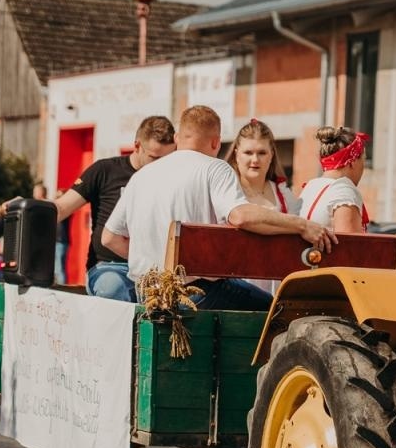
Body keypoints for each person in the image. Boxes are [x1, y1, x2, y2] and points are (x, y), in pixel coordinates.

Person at [100, 105, 334, 310]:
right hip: (197, 293)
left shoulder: (142, 175)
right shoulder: (214, 168)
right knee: (278, 313)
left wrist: (157, 261)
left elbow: (110, 237)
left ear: (178, 137)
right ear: (215, 142)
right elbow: (241, 216)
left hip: (147, 294)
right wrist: (302, 225)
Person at [54, 115, 175, 302]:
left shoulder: (172, 177)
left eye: (168, 158)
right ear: (137, 146)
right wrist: (26, 208)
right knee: (114, 289)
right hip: (111, 267)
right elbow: (61, 208)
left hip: (156, 271)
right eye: (154, 157)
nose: (161, 165)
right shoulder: (105, 170)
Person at [226, 118, 297, 295]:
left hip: (276, 283)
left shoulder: (283, 193)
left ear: (272, 154)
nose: (255, 159)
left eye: (262, 153)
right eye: (248, 152)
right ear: (236, 154)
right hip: (236, 285)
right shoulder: (227, 191)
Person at [297, 127, 370, 234]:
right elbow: (351, 247)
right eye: (363, 159)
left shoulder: (310, 188)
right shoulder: (343, 191)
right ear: (352, 162)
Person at [31, 182, 65, 284]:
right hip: (51, 240)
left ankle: (62, 288)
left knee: (58, 268)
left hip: (58, 240)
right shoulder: (48, 205)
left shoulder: (49, 205)